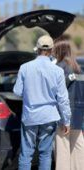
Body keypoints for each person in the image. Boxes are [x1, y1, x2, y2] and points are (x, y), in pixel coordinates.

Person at [13, 35, 71, 170]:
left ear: (37, 49)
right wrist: (66, 120)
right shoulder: (58, 71)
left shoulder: (24, 67)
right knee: (45, 154)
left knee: (26, 154)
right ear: (51, 50)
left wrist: (30, 93)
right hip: (49, 117)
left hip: (30, 117)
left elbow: (17, 91)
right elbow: (63, 99)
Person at [53, 39, 84, 170]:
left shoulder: (59, 67)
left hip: (64, 114)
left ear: (59, 51)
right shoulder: (78, 69)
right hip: (78, 113)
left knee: (62, 148)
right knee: (78, 146)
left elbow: (58, 92)